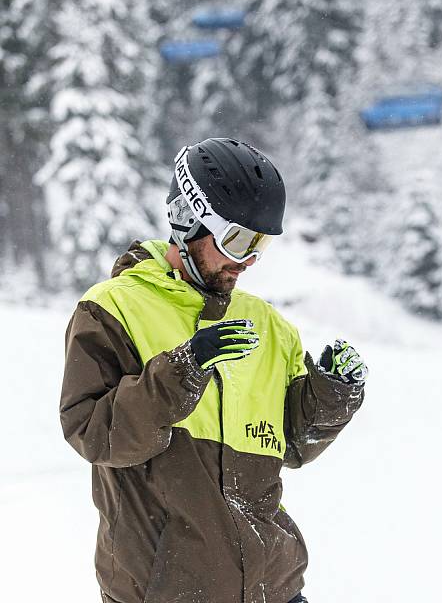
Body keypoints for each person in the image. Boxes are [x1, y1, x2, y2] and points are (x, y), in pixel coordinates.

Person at [60, 137, 368, 603]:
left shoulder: (268, 325)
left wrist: (332, 394)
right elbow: (94, 433)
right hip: (165, 591)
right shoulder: (112, 310)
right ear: (187, 218)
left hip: (273, 589)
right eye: (237, 240)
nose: (247, 260)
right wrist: (183, 369)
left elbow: (292, 444)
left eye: (259, 244)